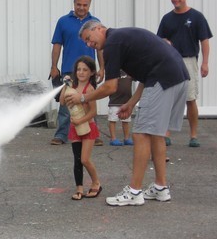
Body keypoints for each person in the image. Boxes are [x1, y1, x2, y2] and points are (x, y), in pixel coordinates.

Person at [66, 20, 189, 206]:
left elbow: (110, 86)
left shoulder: (113, 43)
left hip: (163, 79)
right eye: (86, 43)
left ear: (99, 29)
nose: (89, 44)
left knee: (140, 133)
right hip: (178, 77)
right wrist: (131, 103)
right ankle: (161, 187)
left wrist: (83, 99)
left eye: (89, 39)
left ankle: (134, 191)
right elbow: (145, 76)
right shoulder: (122, 38)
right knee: (156, 134)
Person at [157, 0, 212, 148]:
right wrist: (164, 41)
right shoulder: (167, 18)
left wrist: (205, 63)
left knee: (190, 98)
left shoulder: (197, 17)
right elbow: (159, 39)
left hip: (189, 61)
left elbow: (204, 41)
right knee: (169, 98)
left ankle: (193, 135)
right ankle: (166, 133)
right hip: (170, 61)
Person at [49, 0, 104, 146]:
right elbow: (57, 45)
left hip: (90, 70)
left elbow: (100, 48)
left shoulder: (95, 22)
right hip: (69, 70)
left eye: (85, 5)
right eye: (78, 4)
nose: (81, 7)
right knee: (67, 103)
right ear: (74, 4)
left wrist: (102, 68)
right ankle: (61, 135)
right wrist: (54, 67)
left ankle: (94, 134)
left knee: (90, 101)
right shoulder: (63, 21)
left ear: (89, 5)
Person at [60, 56, 101, 200]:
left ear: (91, 73)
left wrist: (80, 120)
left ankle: (96, 183)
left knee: (84, 159)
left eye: (85, 70)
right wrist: (65, 86)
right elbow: (62, 102)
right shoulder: (72, 87)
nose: (81, 72)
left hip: (88, 128)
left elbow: (93, 112)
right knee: (77, 159)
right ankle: (79, 188)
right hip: (75, 128)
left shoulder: (90, 89)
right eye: (78, 69)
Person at [108, 71, 134, 146]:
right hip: (114, 101)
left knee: (126, 121)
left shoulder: (129, 71)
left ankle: (126, 138)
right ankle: (113, 138)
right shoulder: (113, 72)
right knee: (112, 120)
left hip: (126, 102)